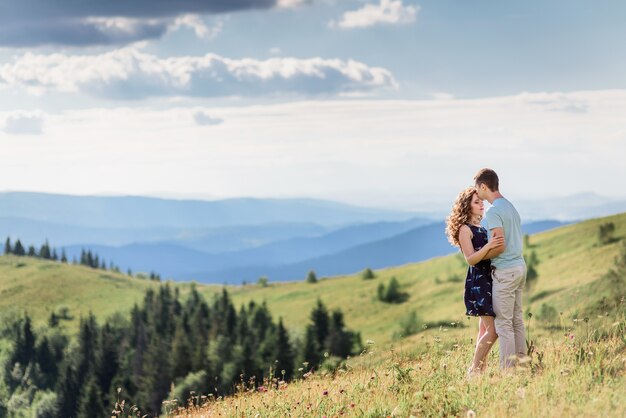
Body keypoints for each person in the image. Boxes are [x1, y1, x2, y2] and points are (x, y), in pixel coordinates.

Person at [445, 187, 504, 376]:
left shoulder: (481, 227)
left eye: (482, 202)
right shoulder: (464, 229)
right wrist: (488, 246)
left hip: (489, 279)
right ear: (466, 206)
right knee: (493, 331)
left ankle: (480, 369)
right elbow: (470, 259)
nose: (481, 205)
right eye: (476, 202)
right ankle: (474, 370)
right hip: (478, 282)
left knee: (483, 329)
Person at [474, 168, 527, 370]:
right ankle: (522, 365)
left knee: (503, 324)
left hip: (505, 270)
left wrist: (480, 258)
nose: (477, 193)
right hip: (519, 267)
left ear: (483, 186)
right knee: (516, 321)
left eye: (477, 189)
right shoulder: (510, 207)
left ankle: (508, 371)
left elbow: (499, 245)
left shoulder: (494, 211)